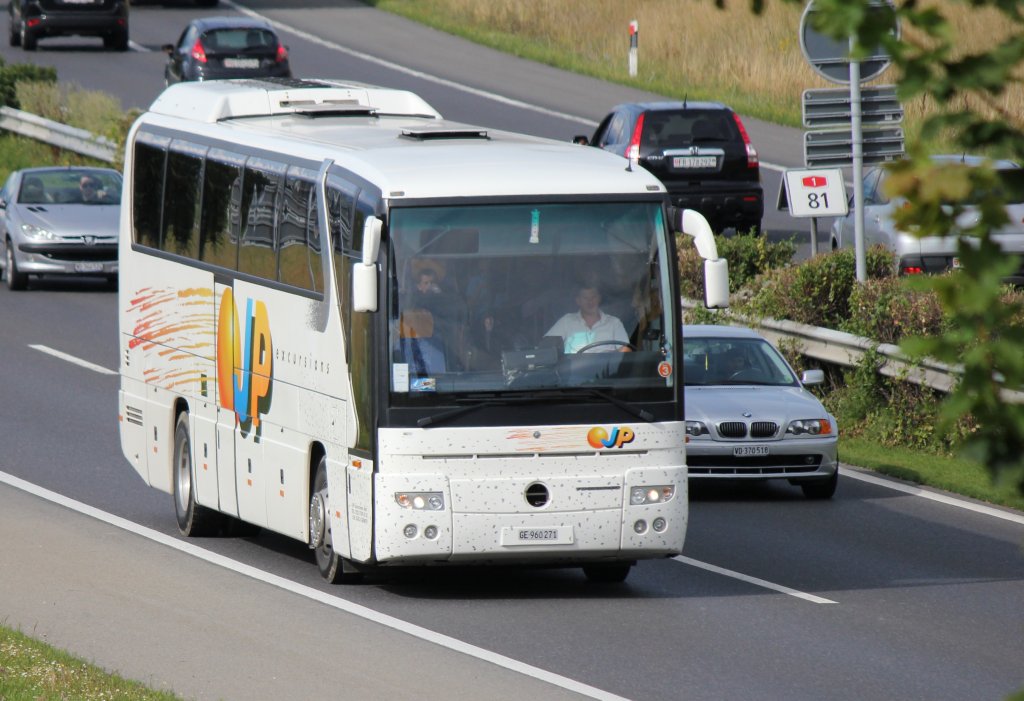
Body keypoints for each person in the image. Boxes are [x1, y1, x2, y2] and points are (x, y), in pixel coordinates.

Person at [545, 283, 630, 354]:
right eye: (585, 298)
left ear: (599, 298)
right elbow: (547, 345)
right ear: (578, 301)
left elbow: (626, 350)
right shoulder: (566, 321)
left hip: (606, 372)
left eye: (593, 297)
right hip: (572, 372)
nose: (590, 301)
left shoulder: (614, 323)